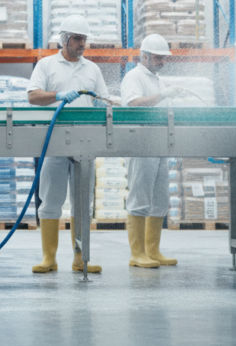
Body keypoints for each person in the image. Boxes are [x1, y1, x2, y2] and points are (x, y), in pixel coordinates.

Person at [26, 15, 109, 274]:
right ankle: (49, 258)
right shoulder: (46, 65)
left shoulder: (92, 69)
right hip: (55, 142)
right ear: (64, 39)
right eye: (77, 38)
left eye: (84, 39)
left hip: (85, 143)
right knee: (50, 201)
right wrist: (57, 95)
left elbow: (104, 102)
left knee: (83, 202)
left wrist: (107, 102)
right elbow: (33, 96)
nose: (82, 43)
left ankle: (79, 258)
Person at [120, 33, 183, 268]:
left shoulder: (157, 79)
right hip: (141, 144)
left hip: (158, 145)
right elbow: (133, 104)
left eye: (163, 58)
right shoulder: (134, 77)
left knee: (159, 199)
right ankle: (137, 253)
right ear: (144, 56)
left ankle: (153, 250)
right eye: (158, 58)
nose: (162, 62)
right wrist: (162, 96)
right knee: (140, 198)